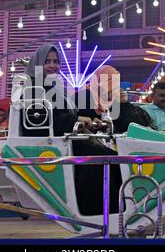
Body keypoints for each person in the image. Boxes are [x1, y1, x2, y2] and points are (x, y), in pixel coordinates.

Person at [23, 44, 122, 216]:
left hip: (66, 138)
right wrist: (76, 121)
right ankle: (96, 211)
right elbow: (41, 120)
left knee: (112, 155)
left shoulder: (56, 87)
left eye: (56, 61)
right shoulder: (33, 89)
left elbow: (68, 112)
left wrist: (89, 120)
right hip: (51, 141)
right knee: (96, 154)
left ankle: (117, 209)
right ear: (38, 65)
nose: (53, 65)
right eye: (47, 62)